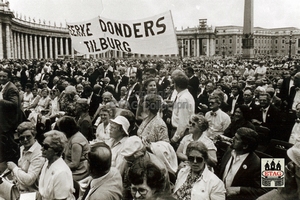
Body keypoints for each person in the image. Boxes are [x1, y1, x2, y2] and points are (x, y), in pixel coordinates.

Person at [218, 127, 268, 200]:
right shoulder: (229, 150)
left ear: (245, 146)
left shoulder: (258, 164)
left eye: (237, 139)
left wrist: (239, 189)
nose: (232, 139)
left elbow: (266, 191)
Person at [6, 122, 45, 192]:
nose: (25, 140)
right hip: (21, 188)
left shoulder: (38, 153)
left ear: (34, 135)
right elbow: (22, 169)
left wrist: (14, 168)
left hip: (32, 193)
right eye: (22, 138)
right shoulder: (23, 148)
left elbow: (29, 180)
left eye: (28, 136)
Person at [38, 130, 75, 200]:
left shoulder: (62, 172)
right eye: (42, 145)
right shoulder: (47, 163)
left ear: (56, 151)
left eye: (45, 147)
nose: (41, 149)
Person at [0, 68, 22, 170]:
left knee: (9, 143)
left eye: (4, 76)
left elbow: (14, 104)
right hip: (3, 120)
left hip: (8, 121)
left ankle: (14, 163)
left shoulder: (11, 88)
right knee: (4, 142)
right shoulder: (3, 87)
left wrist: (0, 101)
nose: (1, 78)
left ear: (9, 77)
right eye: (0, 76)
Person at [56, 116, 90, 181]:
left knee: (57, 178)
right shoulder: (71, 137)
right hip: (70, 168)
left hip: (80, 171)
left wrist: (58, 167)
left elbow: (75, 164)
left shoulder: (76, 141)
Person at [170, 70, 195, 149]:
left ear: (176, 85)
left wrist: (175, 139)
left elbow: (183, 122)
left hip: (180, 133)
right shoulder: (183, 96)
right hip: (179, 131)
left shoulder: (183, 98)